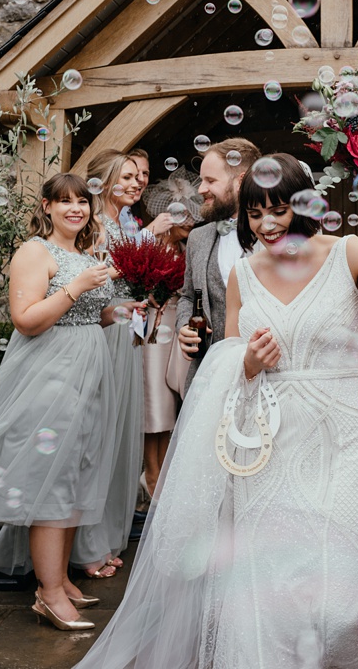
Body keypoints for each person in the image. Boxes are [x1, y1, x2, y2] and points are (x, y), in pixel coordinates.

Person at [72, 153, 358, 669]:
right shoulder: (244, 273)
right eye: (254, 214)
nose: (266, 225)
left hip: (340, 440)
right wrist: (247, 361)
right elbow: (228, 365)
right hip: (268, 442)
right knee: (268, 591)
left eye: (278, 210)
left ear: (304, 207)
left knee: (342, 604)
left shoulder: (349, 253)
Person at [0, 173, 130, 630]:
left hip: (88, 373)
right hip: (49, 376)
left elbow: (91, 318)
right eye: (63, 201)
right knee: (52, 479)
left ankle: (61, 580)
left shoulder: (84, 255)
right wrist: (76, 288)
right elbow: (26, 320)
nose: (76, 209)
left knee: (75, 472)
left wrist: (120, 310)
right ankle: (48, 593)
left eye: (82, 202)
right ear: (46, 207)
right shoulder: (35, 251)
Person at [71, 149, 145, 578]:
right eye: (127, 176)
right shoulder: (95, 227)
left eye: (139, 177)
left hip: (123, 328)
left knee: (117, 436)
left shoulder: (128, 223)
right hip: (100, 332)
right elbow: (92, 282)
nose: (136, 183)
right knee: (95, 437)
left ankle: (105, 535)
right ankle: (86, 544)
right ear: (103, 180)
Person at [175, 138, 261, 386]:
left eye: (210, 181)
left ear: (241, 181)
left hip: (266, 371)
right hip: (210, 373)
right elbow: (188, 296)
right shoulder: (198, 238)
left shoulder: (275, 235)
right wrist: (184, 326)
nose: (200, 189)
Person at [136, 168, 201, 493]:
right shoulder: (152, 249)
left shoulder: (188, 249)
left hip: (178, 331)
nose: (192, 220)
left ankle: (161, 474)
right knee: (155, 406)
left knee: (171, 404)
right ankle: (151, 475)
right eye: (185, 215)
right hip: (155, 331)